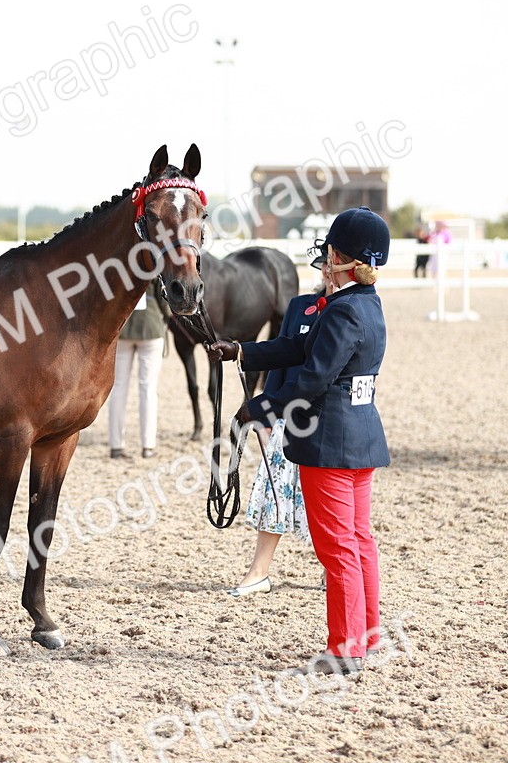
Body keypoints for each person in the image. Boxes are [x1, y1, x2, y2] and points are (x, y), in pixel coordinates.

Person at [210, 206, 390, 675]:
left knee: (337, 548)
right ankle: (366, 634)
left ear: (341, 256)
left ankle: (345, 648)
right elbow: (299, 347)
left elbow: (310, 378)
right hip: (360, 438)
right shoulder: (364, 305)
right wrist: (243, 351)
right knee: (358, 540)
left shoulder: (343, 312)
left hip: (328, 443)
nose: (324, 259)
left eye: (330, 251)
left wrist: (259, 408)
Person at [227, 253, 326, 598]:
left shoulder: (348, 311)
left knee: (327, 500)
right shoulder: (299, 307)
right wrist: (265, 416)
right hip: (286, 416)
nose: (327, 269)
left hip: (326, 420)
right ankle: (259, 571)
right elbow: (281, 357)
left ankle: (334, 566)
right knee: (274, 492)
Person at [108, 279, 170, 459]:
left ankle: (116, 446)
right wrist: (165, 315)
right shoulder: (154, 261)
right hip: (151, 325)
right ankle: (148, 446)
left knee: (118, 387)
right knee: (148, 389)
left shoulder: (120, 263)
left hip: (122, 327)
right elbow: (163, 297)